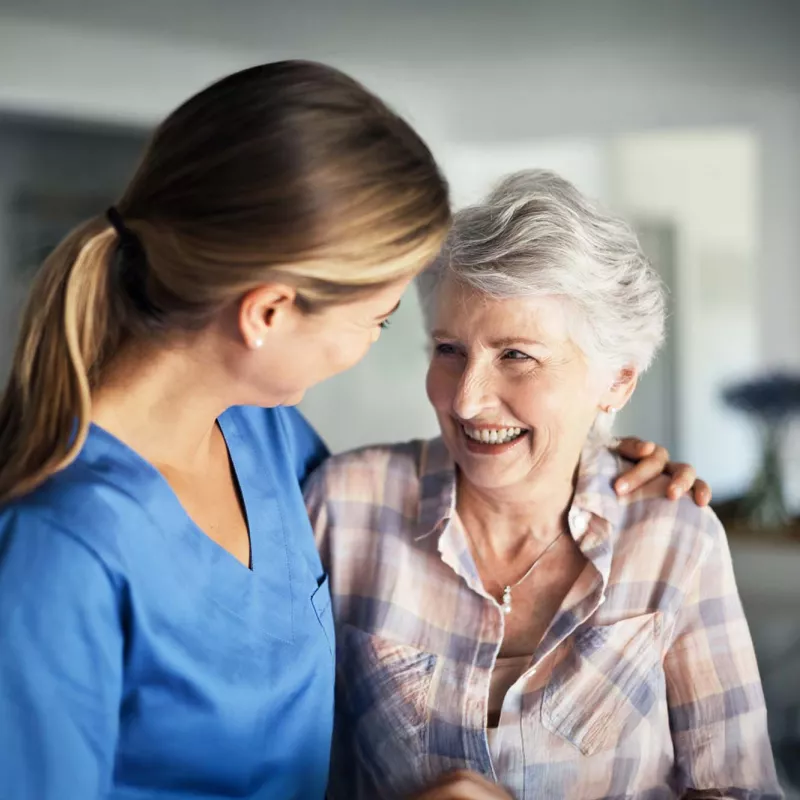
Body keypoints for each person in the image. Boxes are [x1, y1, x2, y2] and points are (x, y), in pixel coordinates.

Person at [0, 62, 706, 800]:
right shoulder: (56, 550)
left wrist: (591, 457)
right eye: (381, 318)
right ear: (268, 312)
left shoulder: (268, 442)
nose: (379, 340)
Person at [305, 171, 781, 799]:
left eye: (516, 356)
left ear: (616, 382)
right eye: (449, 349)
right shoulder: (345, 505)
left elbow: (738, 791)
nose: (468, 402)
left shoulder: (674, 536)